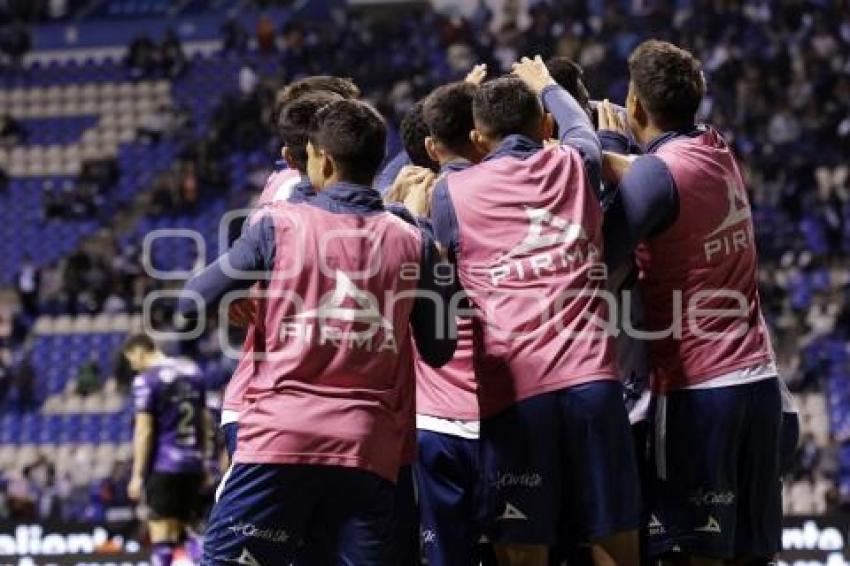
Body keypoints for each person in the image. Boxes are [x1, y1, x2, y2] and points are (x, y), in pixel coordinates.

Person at [180, 99, 455, 564]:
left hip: (280, 444)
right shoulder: (415, 241)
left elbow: (191, 301)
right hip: (368, 452)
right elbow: (440, 349)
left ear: (322, 160)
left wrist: (240, 300)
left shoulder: (278, 224)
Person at [430, 57, 641, 565]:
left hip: (516, 397)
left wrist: (458, 97)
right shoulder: (573, 163)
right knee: (614, 538)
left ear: (479, 140)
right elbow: (579, 128)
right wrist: (546, 84)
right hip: (593, 383)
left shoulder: (450, 194)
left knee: (523, 546)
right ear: (543, 127)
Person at [600, 40, 782, 563]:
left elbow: (603, 254)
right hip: (759, 385)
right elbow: (651, 173)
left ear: (634, 105)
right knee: (752, 552)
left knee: (692, 552)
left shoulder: (657, 175)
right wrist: (614, 153)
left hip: (699, 393)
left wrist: (599, 145)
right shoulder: (716, 146)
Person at [407, 79, 494, 566]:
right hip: (503, 410)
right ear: (481, 136)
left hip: (438, 417)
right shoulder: (515, 194)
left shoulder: (403, 216)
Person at [124, 334, 209, 566]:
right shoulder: (192, 371)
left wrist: (137, 476)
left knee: (162, 538)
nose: (133, 367)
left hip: (165, 466)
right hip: (192, 465)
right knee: (190, 533)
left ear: (139, 352)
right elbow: (204, 422)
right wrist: (204, 462)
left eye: (132, 361)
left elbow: (144, 432)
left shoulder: (146, 380)